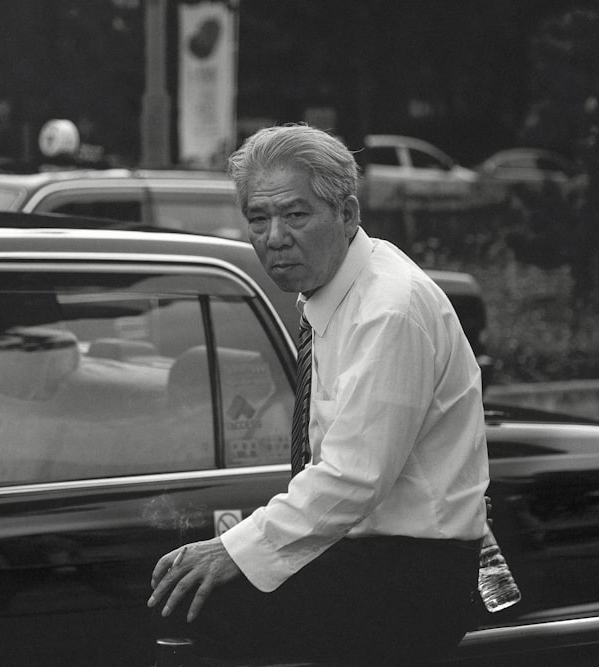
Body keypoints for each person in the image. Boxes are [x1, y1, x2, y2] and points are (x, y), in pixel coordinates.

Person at [147, 124, 490, 665]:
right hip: (372, 554)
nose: (275, 237)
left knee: (195, 600)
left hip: (413, 571)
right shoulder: (333, 291)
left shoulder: (388, 308)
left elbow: (354, 476)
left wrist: (233, 548)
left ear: (348, 214)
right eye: (258, 219)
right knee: (179, 591)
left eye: (296, 215)